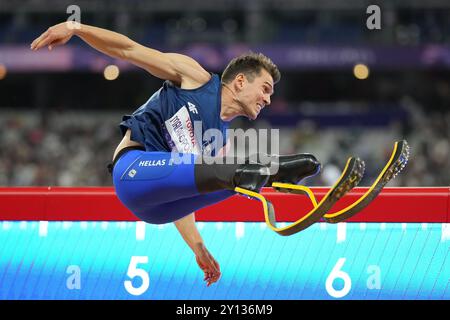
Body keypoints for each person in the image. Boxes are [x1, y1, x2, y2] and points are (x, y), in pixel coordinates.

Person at [30, 22, 321, 286]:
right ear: (241, 81)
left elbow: (182, 186)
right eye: (266, 89)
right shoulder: (195, 78)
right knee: (232, 172)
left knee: (229, 176)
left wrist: (198, 247)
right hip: (133, 173)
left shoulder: (221, 141)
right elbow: (129, 49)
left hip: (159, 208)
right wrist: (76, 27)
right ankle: (271, 171)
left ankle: (271, 176)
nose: (269, 99)